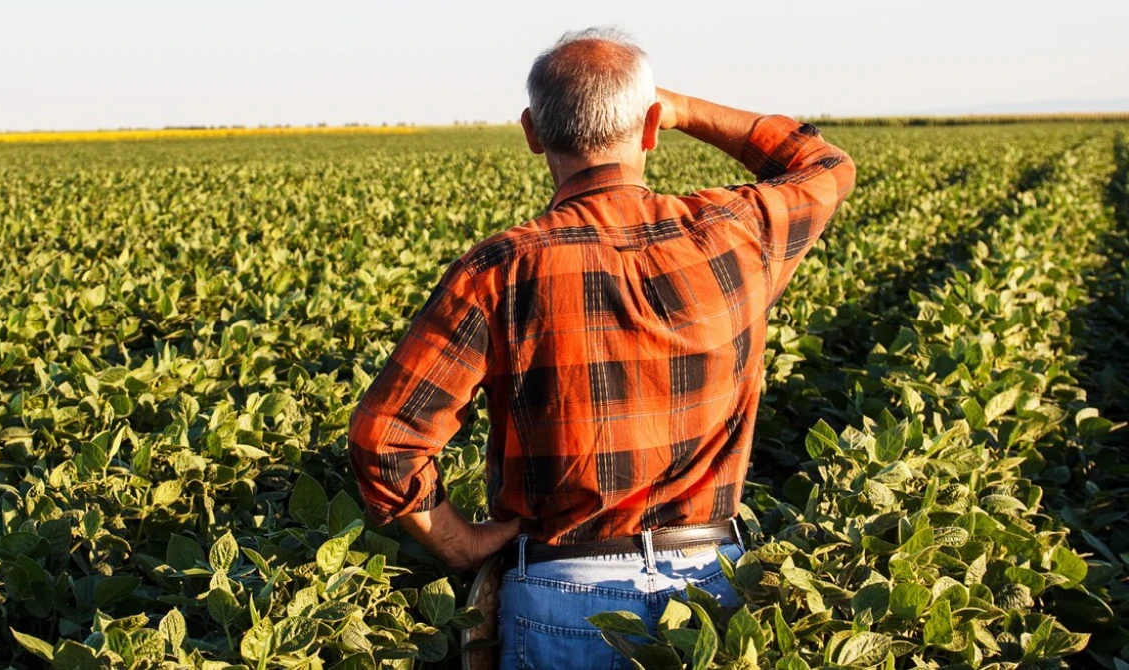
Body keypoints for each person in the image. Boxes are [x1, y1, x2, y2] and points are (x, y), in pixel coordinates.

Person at [348, 27, 855, 669]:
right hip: (706, 591)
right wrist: (684, 110)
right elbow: (826, 165)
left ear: (533, 133)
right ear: (649, 129)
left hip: (560, 594)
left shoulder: (500, 269)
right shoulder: (736, 234)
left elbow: (384, 437)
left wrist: (460, 543)